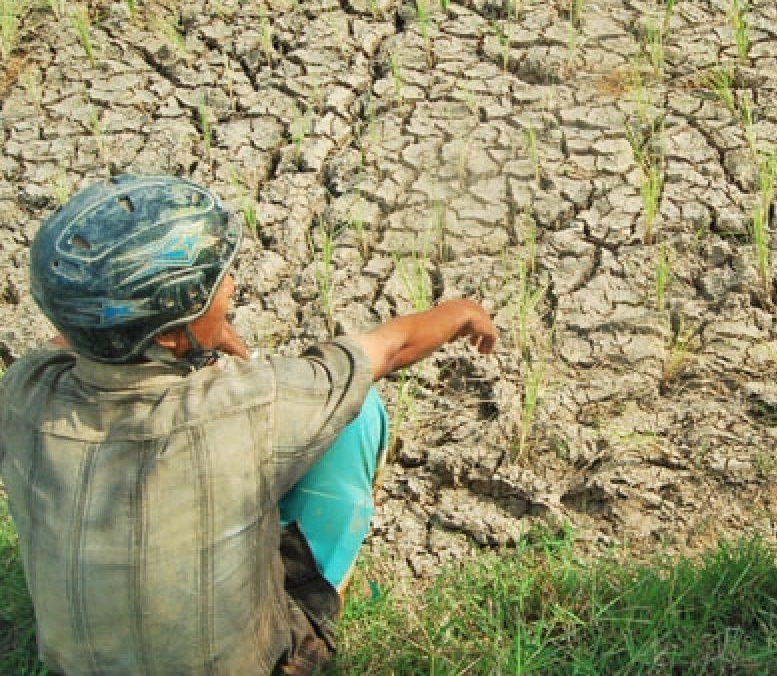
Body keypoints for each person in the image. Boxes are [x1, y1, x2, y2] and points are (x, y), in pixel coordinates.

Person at [0, 174, 498, 676]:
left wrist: (199, 332)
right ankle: (316, 622)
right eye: (216, 286)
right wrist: (460, 312)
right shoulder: (255, 403)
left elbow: (72, 346)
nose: (232, 286)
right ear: (172, 338)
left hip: (73, 666)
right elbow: (391, 348)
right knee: (357, 412)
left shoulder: (22, 391)